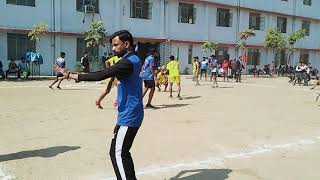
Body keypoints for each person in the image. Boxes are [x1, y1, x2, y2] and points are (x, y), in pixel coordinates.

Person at [55, 30, 143, 180]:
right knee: (122, 152)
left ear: (126, 44)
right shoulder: (131, 59)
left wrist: (70, 75)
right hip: (128, 113)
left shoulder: (128, 62)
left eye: (116, 45)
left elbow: (100, 75)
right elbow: (126, 82)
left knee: (118, 153)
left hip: (130, 115)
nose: (113, 49)